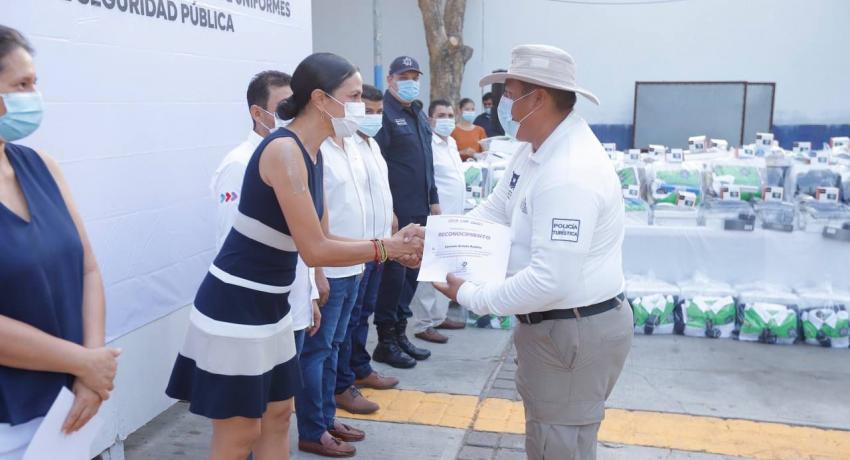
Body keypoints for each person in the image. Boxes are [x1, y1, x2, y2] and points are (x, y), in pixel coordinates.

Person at [165, 52, 424, 460]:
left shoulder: (313, 152)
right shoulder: (284, 151)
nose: (361, 107)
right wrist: (387, 249)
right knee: (240, 433)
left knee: (279, 417)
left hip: (273, 306)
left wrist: (390, 245)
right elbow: (315, 248)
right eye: (354, 96)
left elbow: (324, 236)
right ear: (320, 99)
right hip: (237, 306)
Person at [434, 45, 633, 460]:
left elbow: (549, 279)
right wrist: (436, 240)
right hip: (554, 328)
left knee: (558, 446)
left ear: (537, 98)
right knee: (546, 437)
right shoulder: (534, 148)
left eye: (509, 94)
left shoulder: (569, 173)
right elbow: (496, 209)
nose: (500, 105)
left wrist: (471, 296)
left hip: (572, 331)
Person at [0, 25, 120, 459]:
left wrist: (91, 369)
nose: (34, 96)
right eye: (22, 85)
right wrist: (81, 362)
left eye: (35, 83)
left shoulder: (41, 166)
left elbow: (87, 267)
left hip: (66, 411)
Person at [334, 84, 400, 410]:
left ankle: (359, 368)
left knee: (363, 313)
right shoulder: (346, 145)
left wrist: (391, 217)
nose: (372, 117)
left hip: (379, 244)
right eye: (366, 110)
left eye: (378, 111)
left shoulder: (371, 144)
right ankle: (342, 383)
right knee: (348, 319)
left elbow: (377, 190)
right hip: (359, 246)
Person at [371, 56, 437, 369]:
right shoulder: (384, 114)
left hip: (420, 208)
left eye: (414, 77)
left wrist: (434, 200)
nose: (410, 82)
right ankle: (385, 341)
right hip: (398, 213)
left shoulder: (417, 113)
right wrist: (390, 210)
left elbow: (427, 162)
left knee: (412, 275)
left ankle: (400, 334)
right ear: (390, 79)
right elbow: (377, 165)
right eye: (403, 77)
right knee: (394, 278)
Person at [212, 71, 293, 250]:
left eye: (295, 106)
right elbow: (230, 238)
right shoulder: (238, 164)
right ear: (257, 113)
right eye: (284, 107)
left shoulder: (294, 157)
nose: (292, 115)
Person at [409, 100, 467, 344]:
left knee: (448, 268)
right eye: (441, 115)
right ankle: (423, 323)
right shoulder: (428, 144)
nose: (447, 119)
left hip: (455, 218)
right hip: (437, 216)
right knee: (431, 270)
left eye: (450, 115)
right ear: (430, 119)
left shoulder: (451, 142)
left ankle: (439, 316)